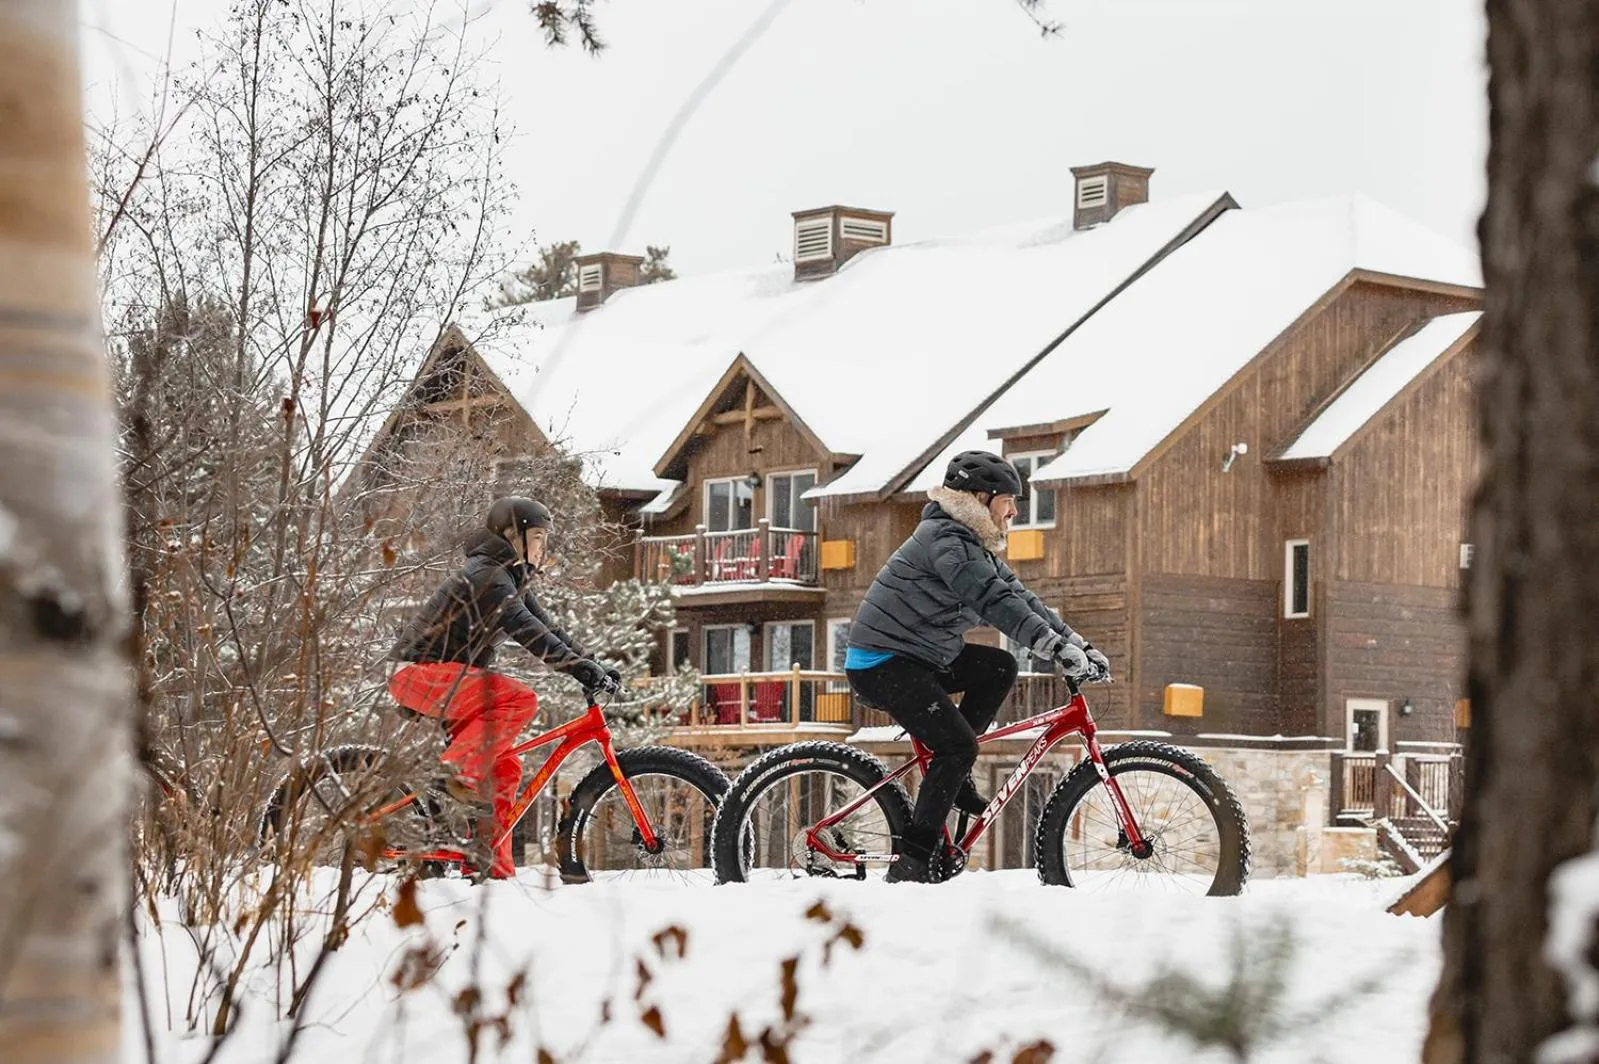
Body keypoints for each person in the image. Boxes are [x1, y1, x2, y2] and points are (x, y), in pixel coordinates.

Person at [845, 451, 1110, 883]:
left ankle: (953, 773)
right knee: (957, 747)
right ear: (980, 498)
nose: (1015, 511)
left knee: (998, 666)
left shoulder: (969, 543)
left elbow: (1022, 598)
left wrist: (1078, 644)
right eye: (1009, 499)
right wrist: (1049, 646)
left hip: (921, 656)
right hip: (883, 663)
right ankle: (913, 863)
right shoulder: (947, 543)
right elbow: (993, 602)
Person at [387, 496, 620, 880]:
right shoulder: (487, 576)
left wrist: (592, 664)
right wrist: (580, 671)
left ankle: (491, 865)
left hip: (450, 677)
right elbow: (527, 632)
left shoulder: (510, 577)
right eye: (539, 537)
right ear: (513, 535)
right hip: (419, 673)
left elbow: (550, 629)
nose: (543, 548)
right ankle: (451, 778)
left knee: (505, 767)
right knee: (520, 699)